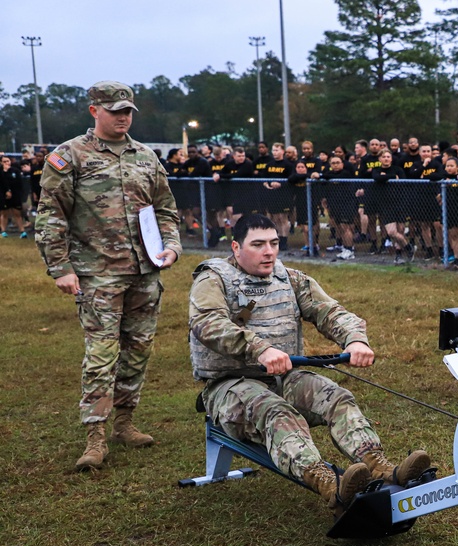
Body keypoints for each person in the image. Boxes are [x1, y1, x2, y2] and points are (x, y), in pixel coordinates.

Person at [188, 214, 431, 517]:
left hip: (284, 376)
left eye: (274, 244)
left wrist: (355, 340)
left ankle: (381, 468)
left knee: (336, 396)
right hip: (229, 385)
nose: (269, 252)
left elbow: (330, 311)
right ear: (236, 247)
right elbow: (208, 323)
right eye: (258, 245)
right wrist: (259, 349)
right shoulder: (212, 279)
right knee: (275, 411)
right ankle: (331, 486)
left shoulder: (289, 278)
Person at [35, 80, 182, 470]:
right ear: (94, 111)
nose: (123, 117)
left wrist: (171, 246)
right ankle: (95, 437)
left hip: (145, 272)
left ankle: (125, 423)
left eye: (128, 111)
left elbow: (165, 209)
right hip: (97, 275)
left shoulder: (146, 157)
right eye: (115, 110)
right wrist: (60, 268)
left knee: (138, 350)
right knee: (101, 355)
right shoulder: (70, 156)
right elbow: (51, 215)